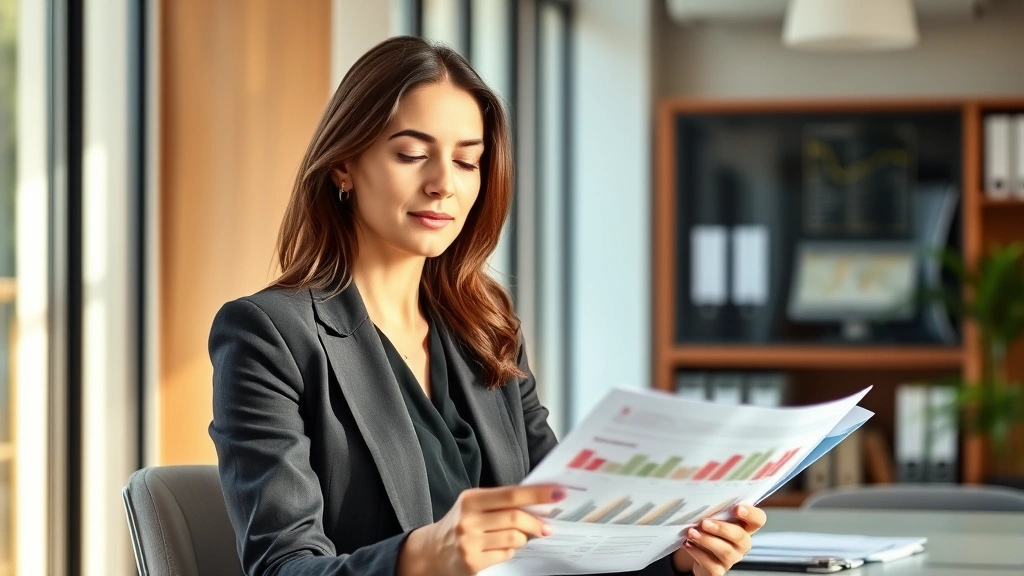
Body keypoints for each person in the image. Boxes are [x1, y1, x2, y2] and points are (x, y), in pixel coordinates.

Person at [209, 35, 766, 576]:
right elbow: (282, 566)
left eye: (467, 162)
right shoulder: (267, 334)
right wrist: (424, 558)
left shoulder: (486, 329)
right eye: (411, 154)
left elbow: (567, 537)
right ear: (343, 166)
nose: (442, 185)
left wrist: (676, 559)